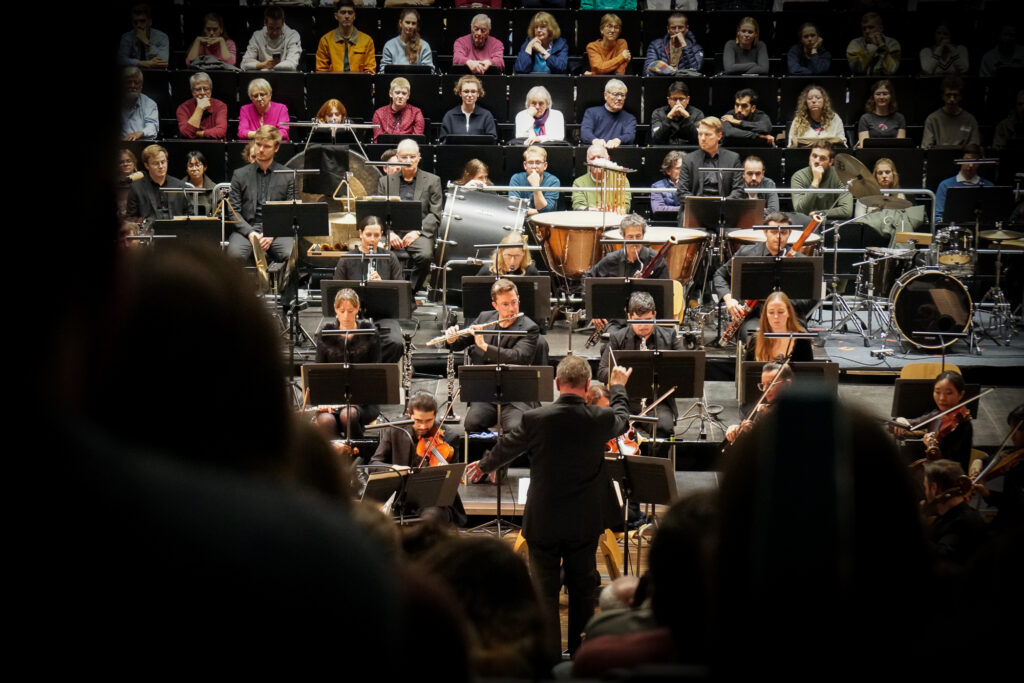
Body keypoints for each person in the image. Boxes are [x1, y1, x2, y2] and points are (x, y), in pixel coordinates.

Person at [465, 354, 633, 657]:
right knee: (583, 590)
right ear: (586, 385)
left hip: (543, 520)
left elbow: (507, 447)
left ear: (557, 384)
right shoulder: (600, 418)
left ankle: (549, 660)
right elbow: (622, 419)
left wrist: (484, 464)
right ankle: (580, 654)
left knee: (544, 594)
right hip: (583, 521)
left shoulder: (534, 419)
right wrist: (618, 387)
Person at [442, 279, 542, 435]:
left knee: (515, 429)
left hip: (517, 395)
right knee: (472, 424)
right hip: (485, 393)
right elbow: (460, 343)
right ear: (495, 305)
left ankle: (508, 458)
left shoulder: (530, 328)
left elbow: (518, 357)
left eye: (514, 302)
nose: (512, 309)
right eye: (505, 304)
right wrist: (452, 339)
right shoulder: (485, 318)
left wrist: (485, 347)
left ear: (518, 299)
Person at [596, 290, 679, 448]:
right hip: (626, 399)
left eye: (648, 320)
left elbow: (684, 367)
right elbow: (601, 371)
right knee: (613, 426)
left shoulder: (669, 336)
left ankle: (657, 467)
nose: (643, 326)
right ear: (629, 318)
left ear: (654, 315)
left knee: (665, 428)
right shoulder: (617, 338)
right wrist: (622, 375)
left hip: (656, 400)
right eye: (637, 321)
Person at [715, 212, 814, 342]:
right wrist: (729, 299)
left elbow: (812, 298)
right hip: (755, 317)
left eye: (783, 233)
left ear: (789, 233)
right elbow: (719, 275)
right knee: (756, 339)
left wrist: (783, 302)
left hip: (790, 316)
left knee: (799, 342)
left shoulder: (802, 261)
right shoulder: (747, 253)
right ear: (765, 232)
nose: (779, 237)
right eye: (773, 232)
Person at [369, 392, 465, 525]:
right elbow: (374, 463)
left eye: (429, 421)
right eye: (418, 421)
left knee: (431, 517)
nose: (423, 426)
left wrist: (442, 473)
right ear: (409, 414)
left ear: (435, 415)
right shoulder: (395, 430)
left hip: (433, 500)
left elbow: (452, 482)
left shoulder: (448, 437)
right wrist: (393, 468)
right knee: (378, 519)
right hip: (400, 499)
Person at [312, 288, 383, 440]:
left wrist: (357, 398)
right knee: (325, 420)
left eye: (350, 311)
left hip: (364, 400)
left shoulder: (369, 334)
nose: (346, 316)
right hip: (333, 399)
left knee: (348, 415)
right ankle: (340, 458)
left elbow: (376, 373)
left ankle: (359, 454)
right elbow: (319, 373)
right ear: (335, 309)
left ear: (357, 309)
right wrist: (323, 401)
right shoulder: (326, 334)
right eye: (341, 310)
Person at [333, 216, 405, 363]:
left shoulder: (390, 258)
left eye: (377, 235)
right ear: (360, 233)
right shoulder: (346, 260)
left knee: (396, 343)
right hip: (352, 314)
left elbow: (400, 292)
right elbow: (336, 294)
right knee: (340, 342)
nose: (372, 240)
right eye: (368, 235)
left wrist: (381, 285)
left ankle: (375, 373)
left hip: (383, 314)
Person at [376, 139, 442, 291]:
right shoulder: (385, 181)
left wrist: (417, 232)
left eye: (412, 157)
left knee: (425, 256)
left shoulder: (433, 180)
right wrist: (389, 233)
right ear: (398, 158)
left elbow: (435, 213)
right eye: (404, 157)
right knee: (377, 254)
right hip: (391, 232)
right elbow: (379, 212)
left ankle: (408, 292)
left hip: (418, 232)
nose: (409, 160)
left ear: (419, 157)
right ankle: (387, 292)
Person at [226, 125, 295, 265]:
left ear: (276, 148)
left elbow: (292, 212)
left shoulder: (288, 175)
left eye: (267, 146)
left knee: (289, 254)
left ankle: (283, 288)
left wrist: (272, 234)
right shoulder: (239, 175)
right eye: (258, 145)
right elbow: (233, 211)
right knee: (233, 256)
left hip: (277, 230)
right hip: (246, 230)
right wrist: (250, 233)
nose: (261, 150)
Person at [900, 371, 974, 470]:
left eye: (949, 393)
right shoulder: (937, 414)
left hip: (949, 478)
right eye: (937, 392)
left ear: (961, 394)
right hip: (931, 472)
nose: (942, 398)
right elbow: (916, 422)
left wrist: (931, 448)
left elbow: (952, 464)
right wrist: (901, 420)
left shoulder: (964, 425)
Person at [922, 459, 988, 566]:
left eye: (925, 488)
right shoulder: (953, 514)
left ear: (934, 488)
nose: (925, 493)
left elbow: (941, 557)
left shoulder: (962, 523)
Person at [676, 117, 745, 205]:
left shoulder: (733, 158)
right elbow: (682, 192)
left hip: (725, 208)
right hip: (696, 209)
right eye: (700, 134)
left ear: (719, 136)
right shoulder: (688, 159)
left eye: (707, 134)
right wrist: (702, 206)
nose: (703, 138)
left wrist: (722, 205)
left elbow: (738, 190)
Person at [725, 360, 792, 443]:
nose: (764, 390)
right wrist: (736, 428)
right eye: (763, 385)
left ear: (787, 384)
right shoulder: (764, 407)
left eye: (771, 384)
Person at [585, 214, 668, 279]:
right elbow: (588, 277)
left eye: (638, 236)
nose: (634, 241)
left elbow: (666, 290)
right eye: (630, 237)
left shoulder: (656, 260)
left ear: (643, 235)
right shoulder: (611, 259)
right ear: (623, 237)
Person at [125, 144, 190, 221]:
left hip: (176, 229)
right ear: (146, 165)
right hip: (149, 231)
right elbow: (131, 218)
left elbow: (189, 214)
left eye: (163, 162)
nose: (161, 166)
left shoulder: (179, 185)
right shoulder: (136, 188)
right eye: (156, 163)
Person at [791, 142, 854, 219]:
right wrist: (815, 181)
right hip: (805, 223)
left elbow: (847, 211)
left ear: (831, 162)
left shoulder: (840, 176)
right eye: (814, 156)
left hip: (831, 223)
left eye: (822, 158)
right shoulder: (798, 177)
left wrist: (819, 213)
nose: (817, 161)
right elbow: (800, 210)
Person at [746, 291, 813, 363]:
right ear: (766, 315)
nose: (776, 317)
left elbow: (809, 373)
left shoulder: (802, 340)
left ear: (789, 313)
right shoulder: (756, 340)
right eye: (771, 312)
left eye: (780, 312)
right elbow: (747, 371)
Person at [935, 143, 993, 224]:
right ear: (960, 160)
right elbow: (938, 216)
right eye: (967, 160)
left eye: (975, 161)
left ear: (980, 163)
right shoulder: (945, 185)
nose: (971, 165)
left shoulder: (989, 186)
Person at [316, 0, 376, 74]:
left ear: (354, 16)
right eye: (343, 12)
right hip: (333, 83)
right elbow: (321, 71)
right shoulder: (325, 40)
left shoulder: (367, 40)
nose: (347, 16)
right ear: (336, 16)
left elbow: (370, 71)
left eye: (350, 13)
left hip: (359, 83)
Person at [922, 76, 981, 150]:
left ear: (961, 96)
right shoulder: (932, 119)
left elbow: (974, 148)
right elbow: (926, 148)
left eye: (955, 95)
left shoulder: (970, 120)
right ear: (942, 96)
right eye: (948, 95)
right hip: (939, 157)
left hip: (963, 159)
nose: (952, 99)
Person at [241, 6, 302, 72]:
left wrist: (267, 66)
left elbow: (292, 64)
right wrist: (263, 65)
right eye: (271, 28)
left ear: (283, 23)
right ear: (265, 23)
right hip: (262, 78)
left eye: (278, 28)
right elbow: (244, 64)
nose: (275, 32)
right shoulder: (257, 36)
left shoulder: (293, 35)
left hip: (285, 78)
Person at [572, 145, 631, 212]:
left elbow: (625, 207)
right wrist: (596, 210)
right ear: (588, 162)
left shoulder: (621, 180)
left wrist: (607, 211)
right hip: (589, 220)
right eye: (592, 158)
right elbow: (578, 207)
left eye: (600, 157)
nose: (596, 161)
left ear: (608, 159)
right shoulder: (579, 182)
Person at [581, 80, 637, 148]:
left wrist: (617, 141)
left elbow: (630, 135)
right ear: (605, 95)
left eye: (622, 95)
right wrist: (595, 141)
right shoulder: (591, 113)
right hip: (596, 153)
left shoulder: (630, 118)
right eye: (615, 94)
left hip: (619, 153)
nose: (619, 98)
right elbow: (585, 132)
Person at [440, 75, 496, 141]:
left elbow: (491, 142)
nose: (469, 95)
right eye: (466, 91)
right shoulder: (449, 116)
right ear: (460, 93)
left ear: (478, 94)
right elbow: (443, 143)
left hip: (480, 151)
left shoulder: (486, 116)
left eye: (473, 91)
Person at [650, 81, 704, 146]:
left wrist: (687, 118)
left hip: (689, 152)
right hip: (664, 151)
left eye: (681, 99)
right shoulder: (658, 113)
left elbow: (699, 139)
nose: (678, 103)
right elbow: (656, 138)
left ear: (688, 99)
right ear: (668, 100)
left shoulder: (698, 114)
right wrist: (669, 117)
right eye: (674, 99)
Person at [176, 72, 227, 140]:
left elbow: (220, 132)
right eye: (198, 89)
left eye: (206, 89)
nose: (202, 93)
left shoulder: (220, 106)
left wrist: (197, 133)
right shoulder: (183, 108)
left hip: (215, 146)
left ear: (211, 90)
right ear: (192, 91)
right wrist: (199, 109)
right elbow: (186, 133)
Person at [509, 146, 559, 216]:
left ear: (545, 165)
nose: (534, 166)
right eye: (531, 162)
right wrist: (538, 212)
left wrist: (535, 186)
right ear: (525, 165)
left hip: (545, 222)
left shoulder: (553, 181)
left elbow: (546, 210)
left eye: (538, 162)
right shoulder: (516, 179)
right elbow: (514, 208)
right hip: (521, 221)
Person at [856, 80, 906, 148]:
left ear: (891, 96)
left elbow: (901, 146)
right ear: (873, 97)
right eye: (878, 94)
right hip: (870, 155)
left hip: (894, 155)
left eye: (885, 94)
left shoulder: (899, 118)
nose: (881, 97)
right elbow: (863, 146)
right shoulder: (865, 118)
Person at [118, 4, 168, 69]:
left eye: (142, 21)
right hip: (133, 75)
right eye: (135, 22)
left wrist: (146, 43)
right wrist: (144, 63)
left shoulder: (162, 37)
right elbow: (120, 60)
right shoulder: (127, 37)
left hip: (155, 74)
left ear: (150, 22)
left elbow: (164, 62)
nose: (138, 25)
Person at [120, 67, 157, 142]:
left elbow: (152, 127)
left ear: (141, 86)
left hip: (141, 144)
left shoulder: (150, 103)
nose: (132, 85)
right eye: (129, 82)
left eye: (136, 82)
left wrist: (139, 133)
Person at [184, 151, 216, 217]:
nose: (194, 169)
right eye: (190, 166)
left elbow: (219, 214)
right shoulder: (180, 188)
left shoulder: (214, 189)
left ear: (205, 167)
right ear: (187, 169)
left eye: (198, 165)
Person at [651, 151, 683, 215]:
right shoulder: (656, 187)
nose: (683, 171)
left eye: (684, 168)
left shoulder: (693, 185)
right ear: (668, 171)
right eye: (678, 168)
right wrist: (683, 209)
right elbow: (658, 209)